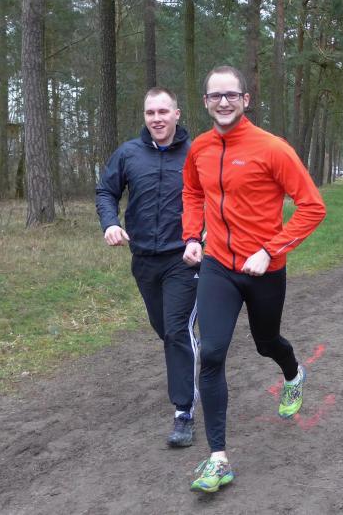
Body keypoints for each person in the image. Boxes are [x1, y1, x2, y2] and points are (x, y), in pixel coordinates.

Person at [181, 65, 326, 493]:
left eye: (231, 95)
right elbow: (192, 192)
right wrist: (192, 235)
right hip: (217, 266)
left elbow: (312, 206)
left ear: (246, 100)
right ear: (206, 102)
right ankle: (217, 458)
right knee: (211, 353)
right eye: (215, 95)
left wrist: (270, 250)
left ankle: (293, 374)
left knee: (266, 343)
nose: (223, 102)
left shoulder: (272, 148)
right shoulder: (199, 148)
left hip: (264, 269)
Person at [95, 87, 199, 448]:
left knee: (175, 330)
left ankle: (183, 413)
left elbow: (216, 197)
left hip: (183, 259)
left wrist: (202, 239)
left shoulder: (196, 153)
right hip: (143, 260)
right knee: (166, 330)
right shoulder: (128, 153)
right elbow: (106, 192)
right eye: (150, 113)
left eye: (163, 112)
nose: (157, 119)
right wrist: (110, 223)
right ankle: (188, 352)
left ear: (177, 114)